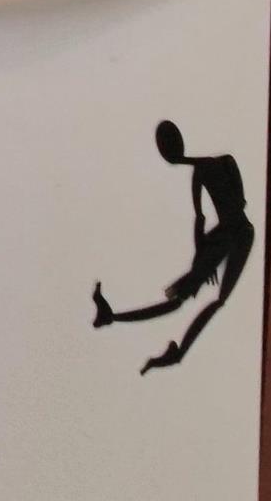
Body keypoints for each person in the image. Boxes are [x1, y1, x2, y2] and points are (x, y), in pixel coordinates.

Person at [92, 121, 254, 373]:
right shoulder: (221, 163)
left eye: (165, 151)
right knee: (196, 301)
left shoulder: (204, 171)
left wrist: (205, 256)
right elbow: (228, 209)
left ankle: (116, 319)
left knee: (192, 301)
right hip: (237, 234)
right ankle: (120, 321)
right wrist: (205, 257)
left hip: (231, 236)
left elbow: (203, 218)